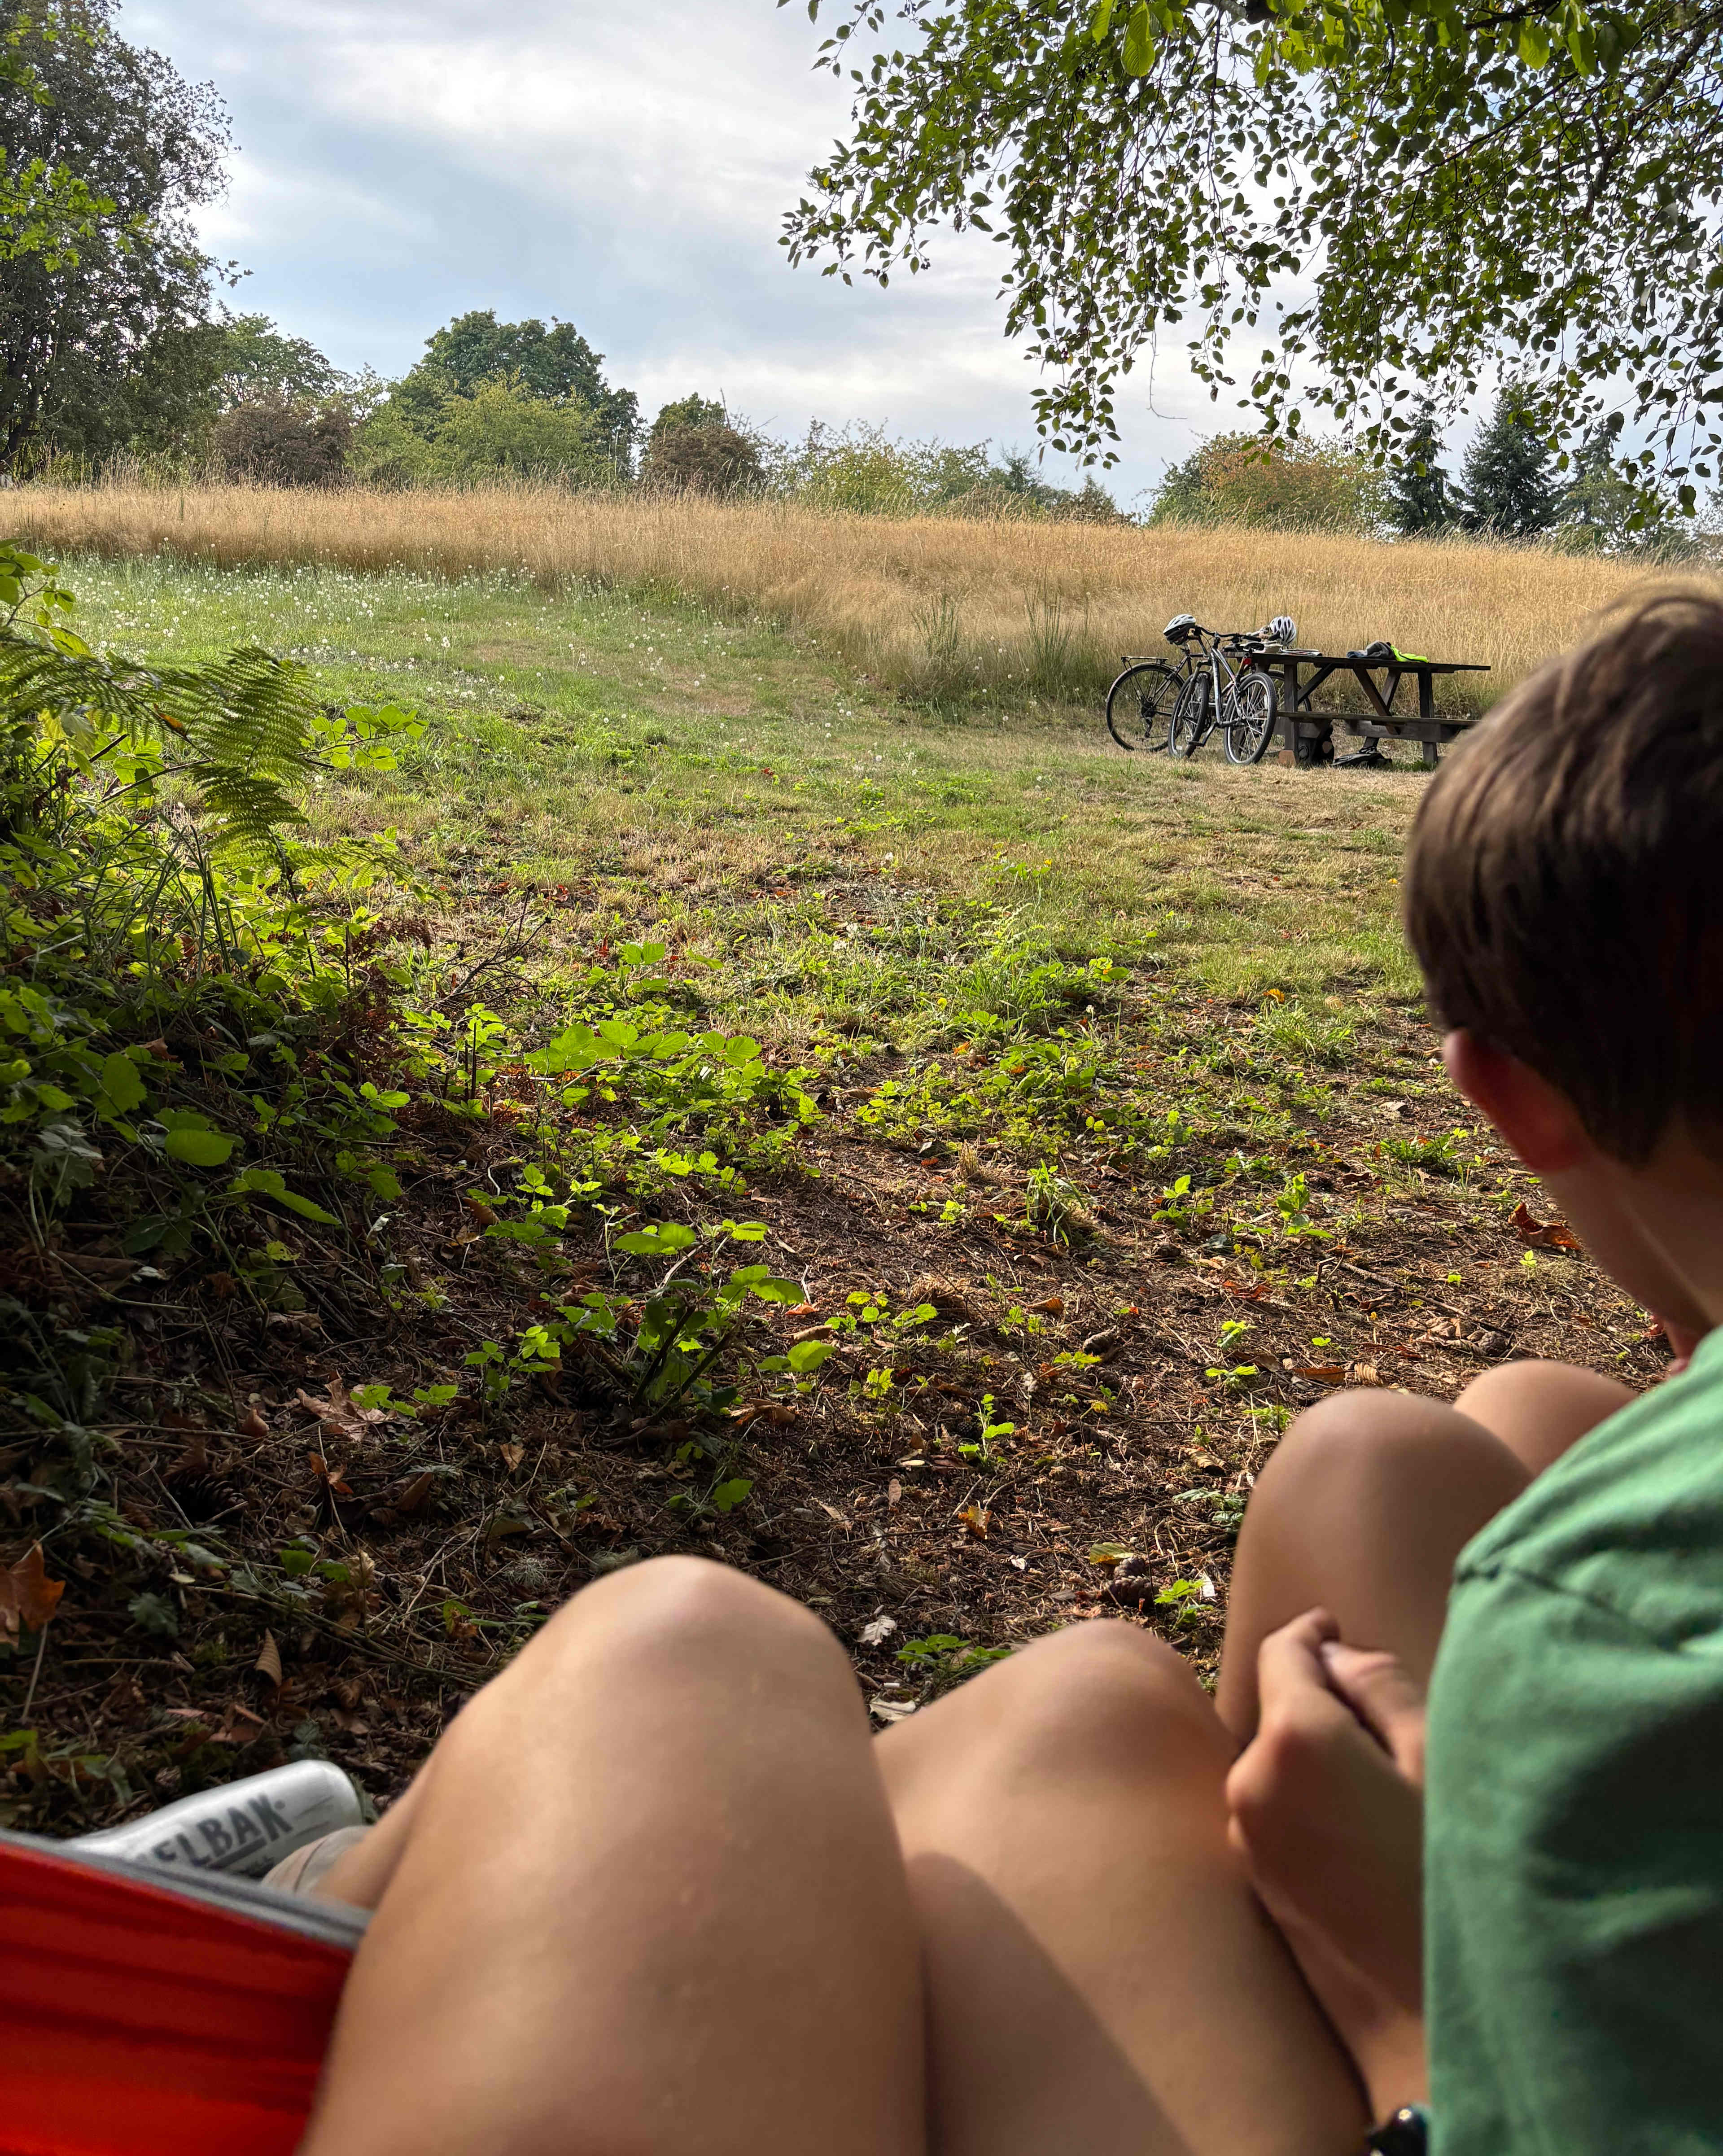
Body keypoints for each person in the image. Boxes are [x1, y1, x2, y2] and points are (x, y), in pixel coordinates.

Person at [286, 591, 1723, 2156]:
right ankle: (322, 1872)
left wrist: (1413, 1999)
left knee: (683, 1651)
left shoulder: (1608, 1617)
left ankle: (318, 1893)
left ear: (1511, 1098)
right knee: (1133, 1667)